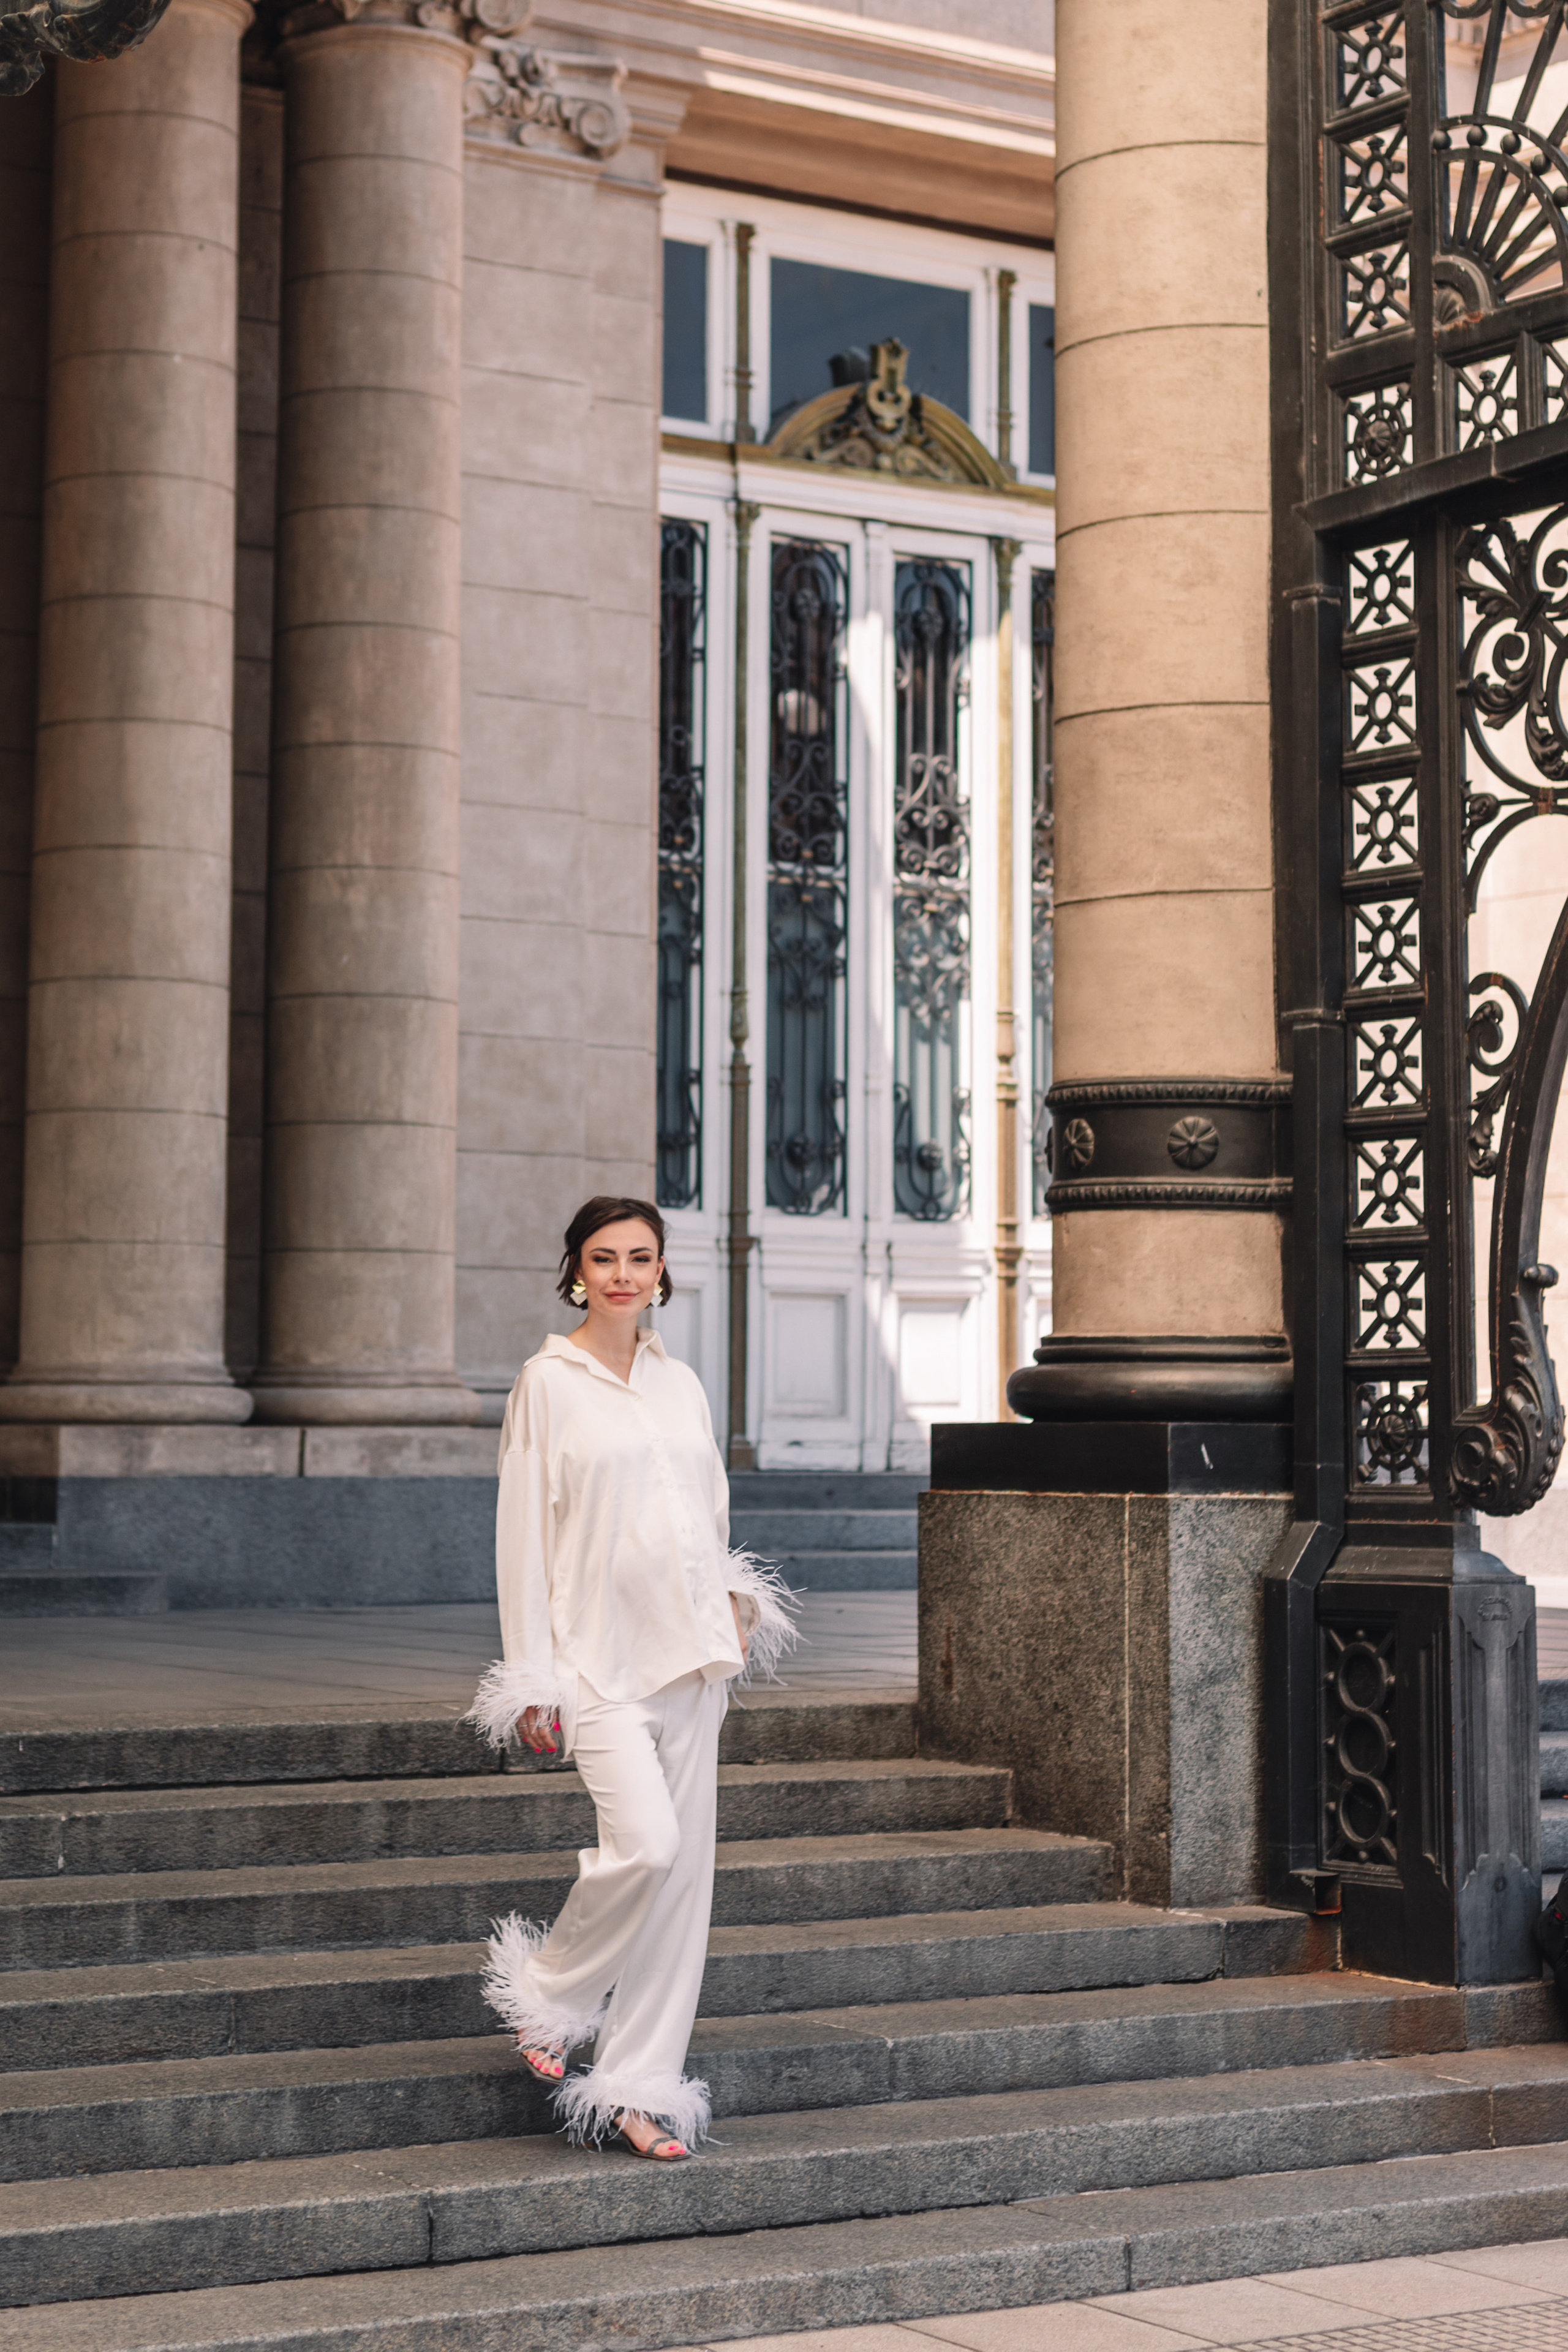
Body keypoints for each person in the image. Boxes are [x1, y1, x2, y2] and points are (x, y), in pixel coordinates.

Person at [464, 1194, 794, 2161]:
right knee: (645, 1847)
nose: (620, 1274)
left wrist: (735, 1598)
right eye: (602, 1257)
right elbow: (522, 1534)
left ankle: (638, 2090)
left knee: (682, 1886)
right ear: (576, 1270)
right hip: (597, 1664)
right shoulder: (547, 1382)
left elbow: (709, 1510)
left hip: (694, 1659)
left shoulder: (680, 1382)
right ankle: (555, 1994)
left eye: (638, 1258)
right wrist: (533, 1678)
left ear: (661, 1273)